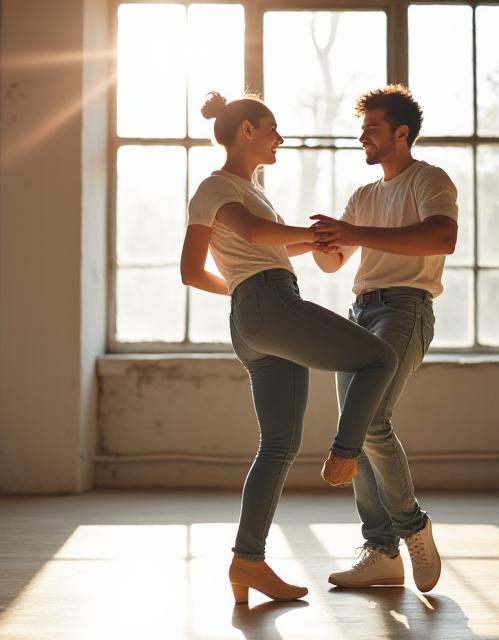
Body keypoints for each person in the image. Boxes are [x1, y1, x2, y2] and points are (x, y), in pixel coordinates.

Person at [180, 91, 398, 604]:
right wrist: (313, 233)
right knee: (379, 357)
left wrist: (315, 242)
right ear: (247, 131)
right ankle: (346, 453)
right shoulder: (216, 187)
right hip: (268, 305)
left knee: (277, 446)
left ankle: (247, 562)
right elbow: (247, 240)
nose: (280, 138)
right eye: (272, 127)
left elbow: (264, 246)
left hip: (256, 313)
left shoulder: (253, 192)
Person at [311, 84, 458, 593]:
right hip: (360, 310)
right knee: (358, 426)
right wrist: (324, 239)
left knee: (370, 421)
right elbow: (334, 263)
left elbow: (442, 238)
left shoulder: (429, 180)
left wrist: (352, 235)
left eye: (372, 129)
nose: (362, 138)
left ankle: (412, 526)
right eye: (363, 129)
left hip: (405, 308)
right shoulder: (364, 195)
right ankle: (381, 551)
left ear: (402, 133)